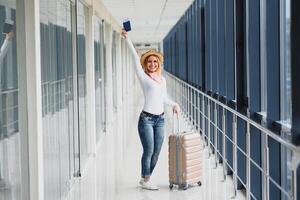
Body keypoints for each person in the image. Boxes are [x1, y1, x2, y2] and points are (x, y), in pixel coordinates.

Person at [121, 29, 180, 190]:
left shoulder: (162, 80)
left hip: (160, 119)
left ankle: (145, 177)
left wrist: (174, 104)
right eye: (149, 62)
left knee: (157, 151)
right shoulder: (143, 76)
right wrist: (128, 39)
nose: (152, 64)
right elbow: (134, 58)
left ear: (159, 64)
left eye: (155, 62)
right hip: (146, 119)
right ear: (145, 64)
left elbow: (163, 98)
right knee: (149, 150)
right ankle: (146, 179)